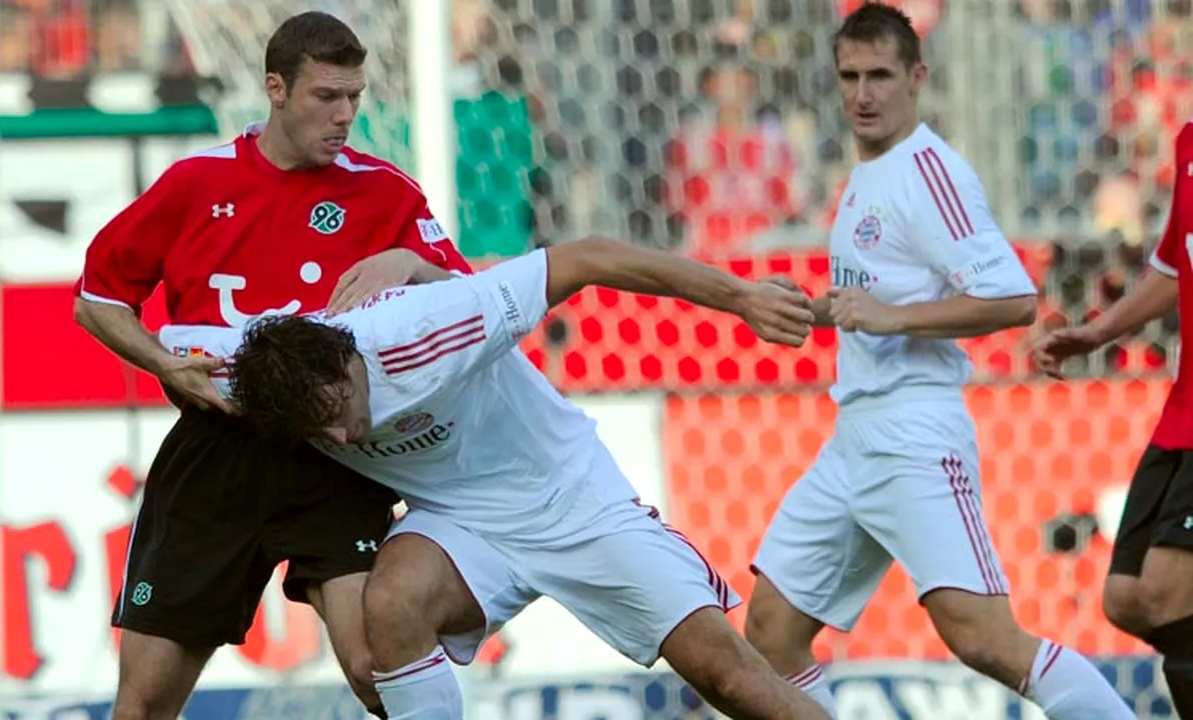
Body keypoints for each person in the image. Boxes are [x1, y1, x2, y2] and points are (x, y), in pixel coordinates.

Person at [155, 237, 829, 720]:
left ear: (347, 364)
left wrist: (740, 295)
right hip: (460, 523)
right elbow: (150, 335)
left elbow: (587, 257)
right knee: (391, 605)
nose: (339, 438)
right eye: (315, 431)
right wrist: (164, 367)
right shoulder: (261, 377)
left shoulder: (424, 332)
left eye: (335, 412)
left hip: (570, 498)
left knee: (728, 678)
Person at [740, 5, 1136, 719]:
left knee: (984, 639)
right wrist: (818, 308)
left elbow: (1012, 297)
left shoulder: (929, 171)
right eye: (849, 76)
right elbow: (882, 292)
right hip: (853, 440)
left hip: (914, 435)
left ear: (917, 77)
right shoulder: (867, 174)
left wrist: (892, 318)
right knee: (769, 632)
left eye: (881, 76)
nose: (863, 93)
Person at [72, 11, 471, 720]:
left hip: (336, 457)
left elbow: (467, 301)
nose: (346, 115)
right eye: (327, 97)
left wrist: (412, 264)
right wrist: (166, 362)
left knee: (377, 670)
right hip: (215, 452)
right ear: (276, 89)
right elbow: (98, 300)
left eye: (355, 97)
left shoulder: (387, 193)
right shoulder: (195, 184)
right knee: (143, 705)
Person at [1033, 121, 1193, 718]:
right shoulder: (1188, 142)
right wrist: (1098, 331)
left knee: (1165, 590)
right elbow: (1176, 265)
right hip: (1184, 411)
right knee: (1126, 596)